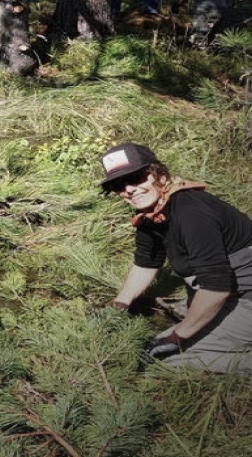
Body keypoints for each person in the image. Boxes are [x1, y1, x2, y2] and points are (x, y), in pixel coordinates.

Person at [100, 141, 252, 375]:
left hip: (242, 297)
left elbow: (216, 287)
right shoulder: (154, 213)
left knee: (165, 359)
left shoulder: (191, 212)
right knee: (158, 345)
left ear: (157, 174)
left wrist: (177, 336)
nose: (129, 189)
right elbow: (146, 263)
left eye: (137, 178)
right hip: (230, 293)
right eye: (119, 185)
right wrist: (118, 305)